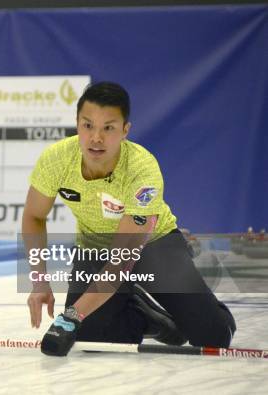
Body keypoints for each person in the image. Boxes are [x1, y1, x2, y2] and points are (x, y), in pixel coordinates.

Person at [23, 82, 236, 357]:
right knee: (91, 338)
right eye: (88, 125)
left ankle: (209, 315)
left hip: (154, 245)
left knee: (211, 338)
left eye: (108, 128)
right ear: (77, 124)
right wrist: (40, 281)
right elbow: (33, 216)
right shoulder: (55, 160)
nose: (96, 138)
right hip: (95, 247)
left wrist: (71, 315)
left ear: (125, 130)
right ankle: (145, 315)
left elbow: (121, 260)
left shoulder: (142, 170)